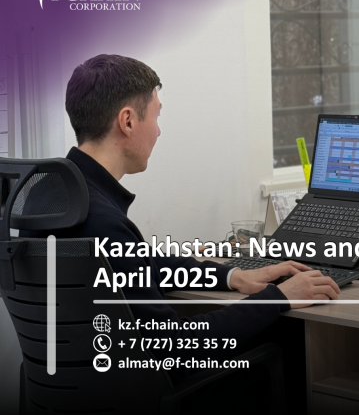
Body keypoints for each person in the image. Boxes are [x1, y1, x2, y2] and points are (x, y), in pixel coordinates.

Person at [48, 54, 340, 382]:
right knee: (287, 336)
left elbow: (145, 264)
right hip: (145, 391)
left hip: (76, 386)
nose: (158, 131)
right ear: (128, 121)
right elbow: (178, 347)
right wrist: (279, 297)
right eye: (156, 115)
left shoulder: (53, 198)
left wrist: (232, 276)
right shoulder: (103, 222)